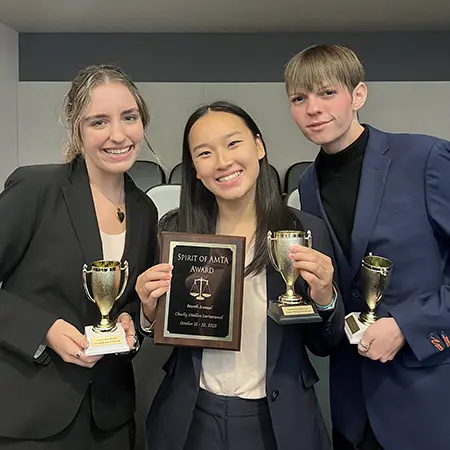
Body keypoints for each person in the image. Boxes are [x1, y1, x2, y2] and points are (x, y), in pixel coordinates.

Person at [136, 100, 344, 450]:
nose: (223, 162)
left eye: (233, 144)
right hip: (192, 416)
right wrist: (147, 311)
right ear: (195, 170)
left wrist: (325, 298)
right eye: (204, 153)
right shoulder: (175, 231)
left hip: (278, 419)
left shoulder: (304, 231)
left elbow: (324, 344)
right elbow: (158, 329)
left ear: (259, 146)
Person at [284, 43, 450, 450]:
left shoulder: (424, 156)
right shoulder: (306, 188)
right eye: (299, 98)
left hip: (425, 396)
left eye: (327, 93)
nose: (313, 109)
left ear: (358, 95)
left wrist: (409, 327)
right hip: (351, 406)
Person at [0, 64, 158, 449]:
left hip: (111, 418)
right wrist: (44, 330)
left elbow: (131, 300)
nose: (118, 135)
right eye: (99, 121)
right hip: (32, 417)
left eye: (129, 118)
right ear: (77, 129)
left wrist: (132, 318)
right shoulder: (37, 188)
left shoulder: (144, 209)